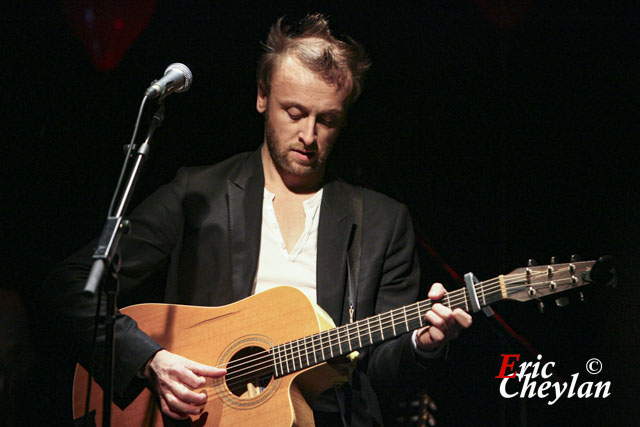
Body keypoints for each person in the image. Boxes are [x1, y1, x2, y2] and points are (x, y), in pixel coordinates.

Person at [43, 13, 472, 425]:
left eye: (327, 120)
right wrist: (150, 360)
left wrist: (423, 343)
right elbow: (71, 285)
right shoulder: (199, 194)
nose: (309, 135)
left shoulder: (382, 222)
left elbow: (382, 372)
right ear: (262, 96)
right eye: (294, 112)